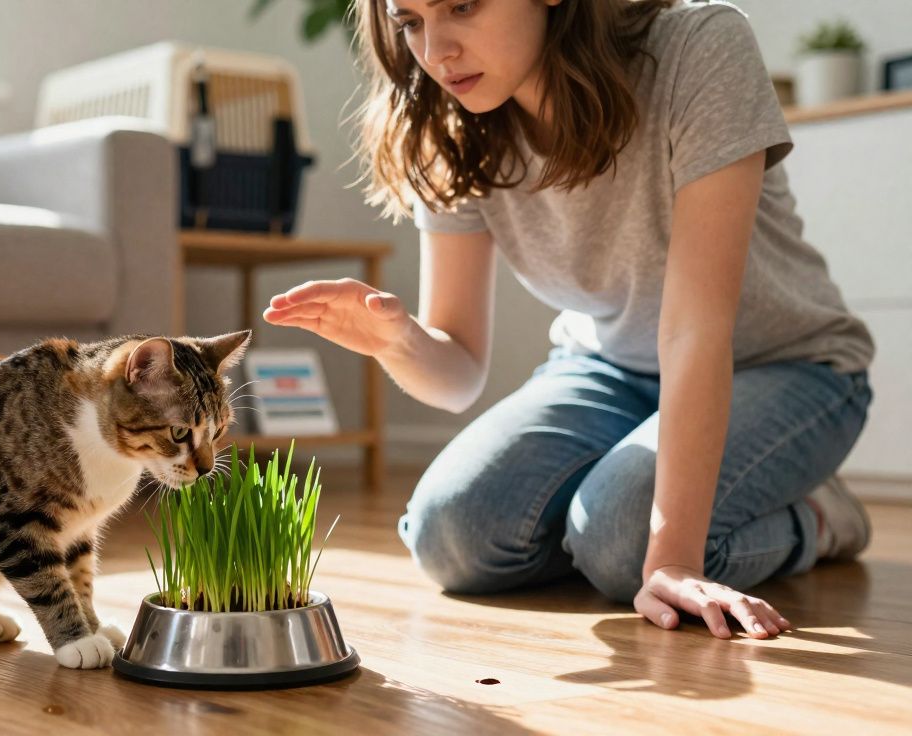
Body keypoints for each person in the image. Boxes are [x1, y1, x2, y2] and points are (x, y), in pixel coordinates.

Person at [263, 0, 874, 639]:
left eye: (462, 7)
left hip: (790, 366)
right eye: (410, 21)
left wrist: (670, 561)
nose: (436, 51)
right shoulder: (448, 124)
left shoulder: (701, 46)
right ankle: (628, 503)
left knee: (619, 546)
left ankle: (819, 517)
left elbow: (695, 329)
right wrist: (401, 341)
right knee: (450, 535)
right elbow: (459, 371)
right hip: (607, 369)